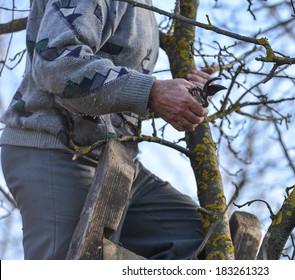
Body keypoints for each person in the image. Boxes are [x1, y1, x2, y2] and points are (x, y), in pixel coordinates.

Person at [0, 0, 213, 260]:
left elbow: (113, 85)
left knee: (206, 244)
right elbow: (57, 63)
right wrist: (153, 91)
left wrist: (178, 94)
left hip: (115, 161)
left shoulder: (145, 8)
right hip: (56, 149)